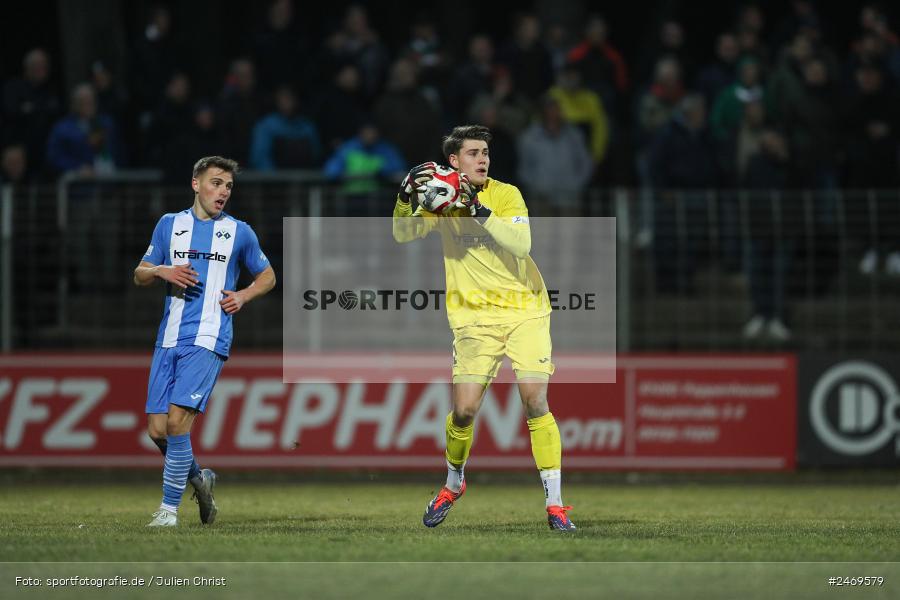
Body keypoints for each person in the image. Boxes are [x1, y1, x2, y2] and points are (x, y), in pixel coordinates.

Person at [392, 125, 575, 532]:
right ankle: (454, 483)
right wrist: (406, 199)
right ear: (453, 162)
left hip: (526, 310)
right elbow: (402, 234)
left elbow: (520, 245)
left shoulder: (505, 194)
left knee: (534, 400)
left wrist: (476, 208)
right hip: (474, 318)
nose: (482, 159)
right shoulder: (441, 201)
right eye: (473, 153)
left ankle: (556, 505)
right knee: (465, 409)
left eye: (486, 153)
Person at [133, 156, 276, 527]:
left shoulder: (239, 232)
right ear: (195, 183)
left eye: (228, 186)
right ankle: (200, 478)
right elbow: (140, 274)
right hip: (169, 336)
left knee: (178, 423)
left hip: (210, 336)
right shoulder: (169, 225)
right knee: (157, 430)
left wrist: (243, 296)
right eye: (216, 183)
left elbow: (268, 276)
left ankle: (167, 511)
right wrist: (162, 270)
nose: (223, 191)